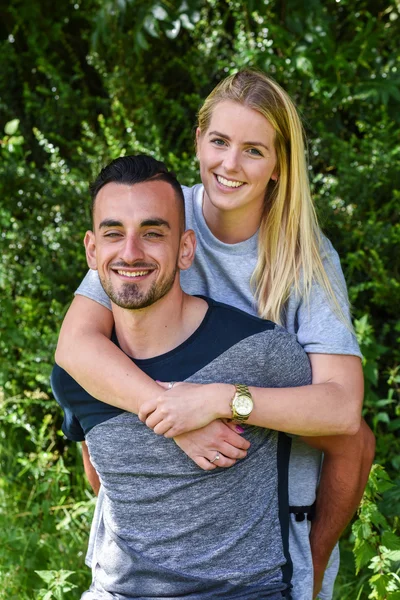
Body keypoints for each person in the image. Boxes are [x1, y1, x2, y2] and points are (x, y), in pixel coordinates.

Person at [55, 70, 375, 599]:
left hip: (262, 526)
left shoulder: (304, 255)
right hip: (149, 523)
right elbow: (76, 346)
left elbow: (342, 412)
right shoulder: (154, 217)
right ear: (198, 142)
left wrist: (221, 400)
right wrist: (171, 414)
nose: (229, 165)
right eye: (219, 142)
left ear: (279, 165)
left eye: (253, 150)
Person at [52, 154, 314, 599]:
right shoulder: (80, 372)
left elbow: (349, 437)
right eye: (114, 233)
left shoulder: (259, 352)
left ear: (186, 249)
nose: (131, 252)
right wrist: (170, 422)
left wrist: (316, 570)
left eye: (153, 233)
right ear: (92, 252)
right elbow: (100, 479)